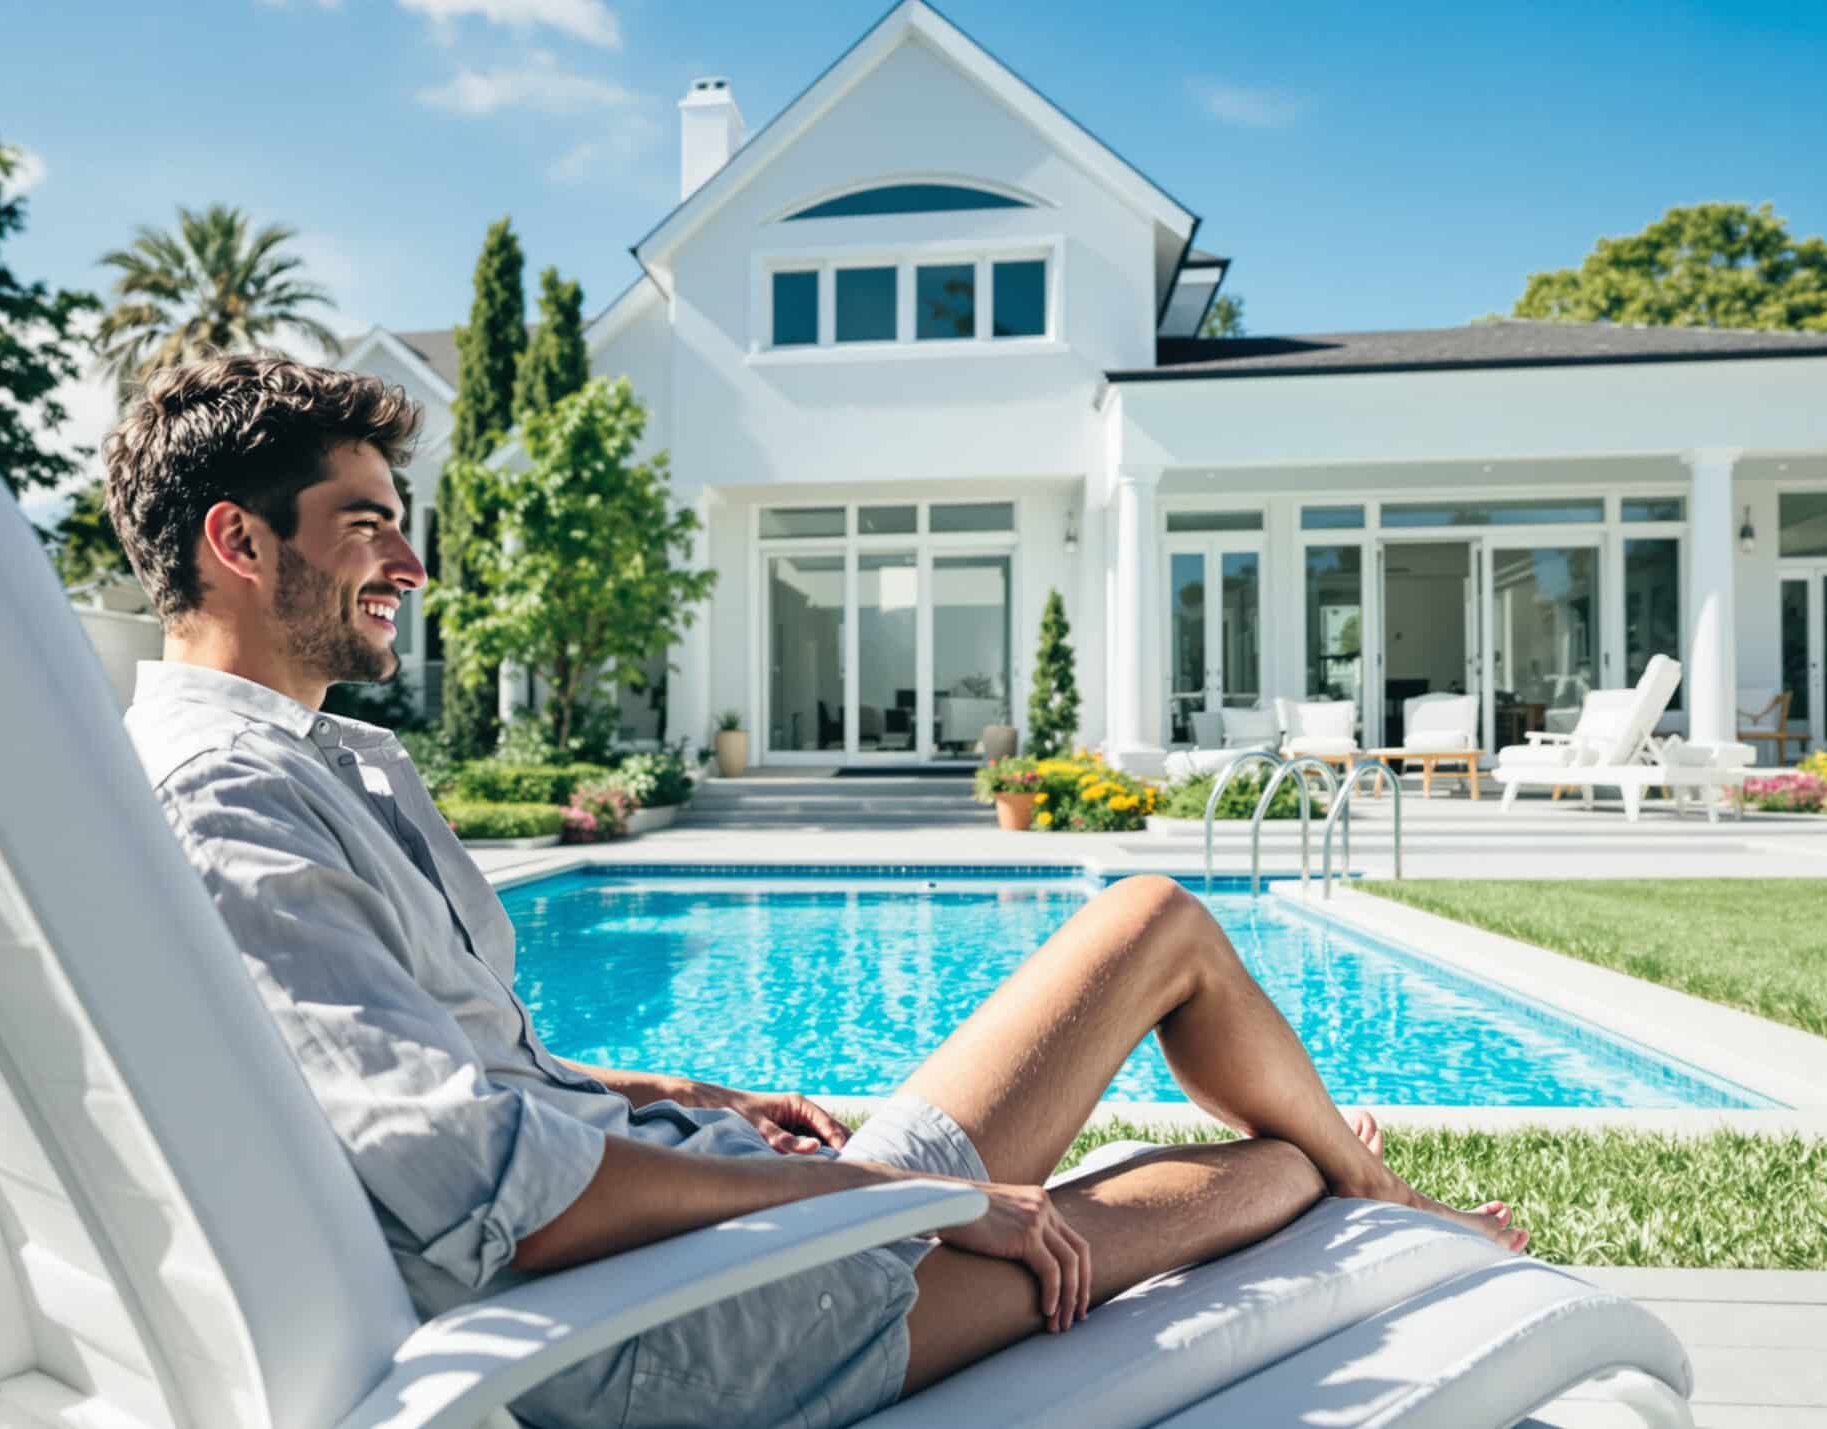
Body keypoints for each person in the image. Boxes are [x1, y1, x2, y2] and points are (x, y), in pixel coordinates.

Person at [106, 354, 1523, 1429]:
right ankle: (1383, 1197)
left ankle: (1373, 1186)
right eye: (365, 525)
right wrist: (876, 1195)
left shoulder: (305, 764)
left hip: (725, 1244)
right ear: (240, 543)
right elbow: (495, 1191)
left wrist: (702, 1105)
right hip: (677, 1329)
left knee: (1155, 922)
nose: (409, 563)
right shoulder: (231, 801)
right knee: (1271, 1163)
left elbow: (461, 1080)